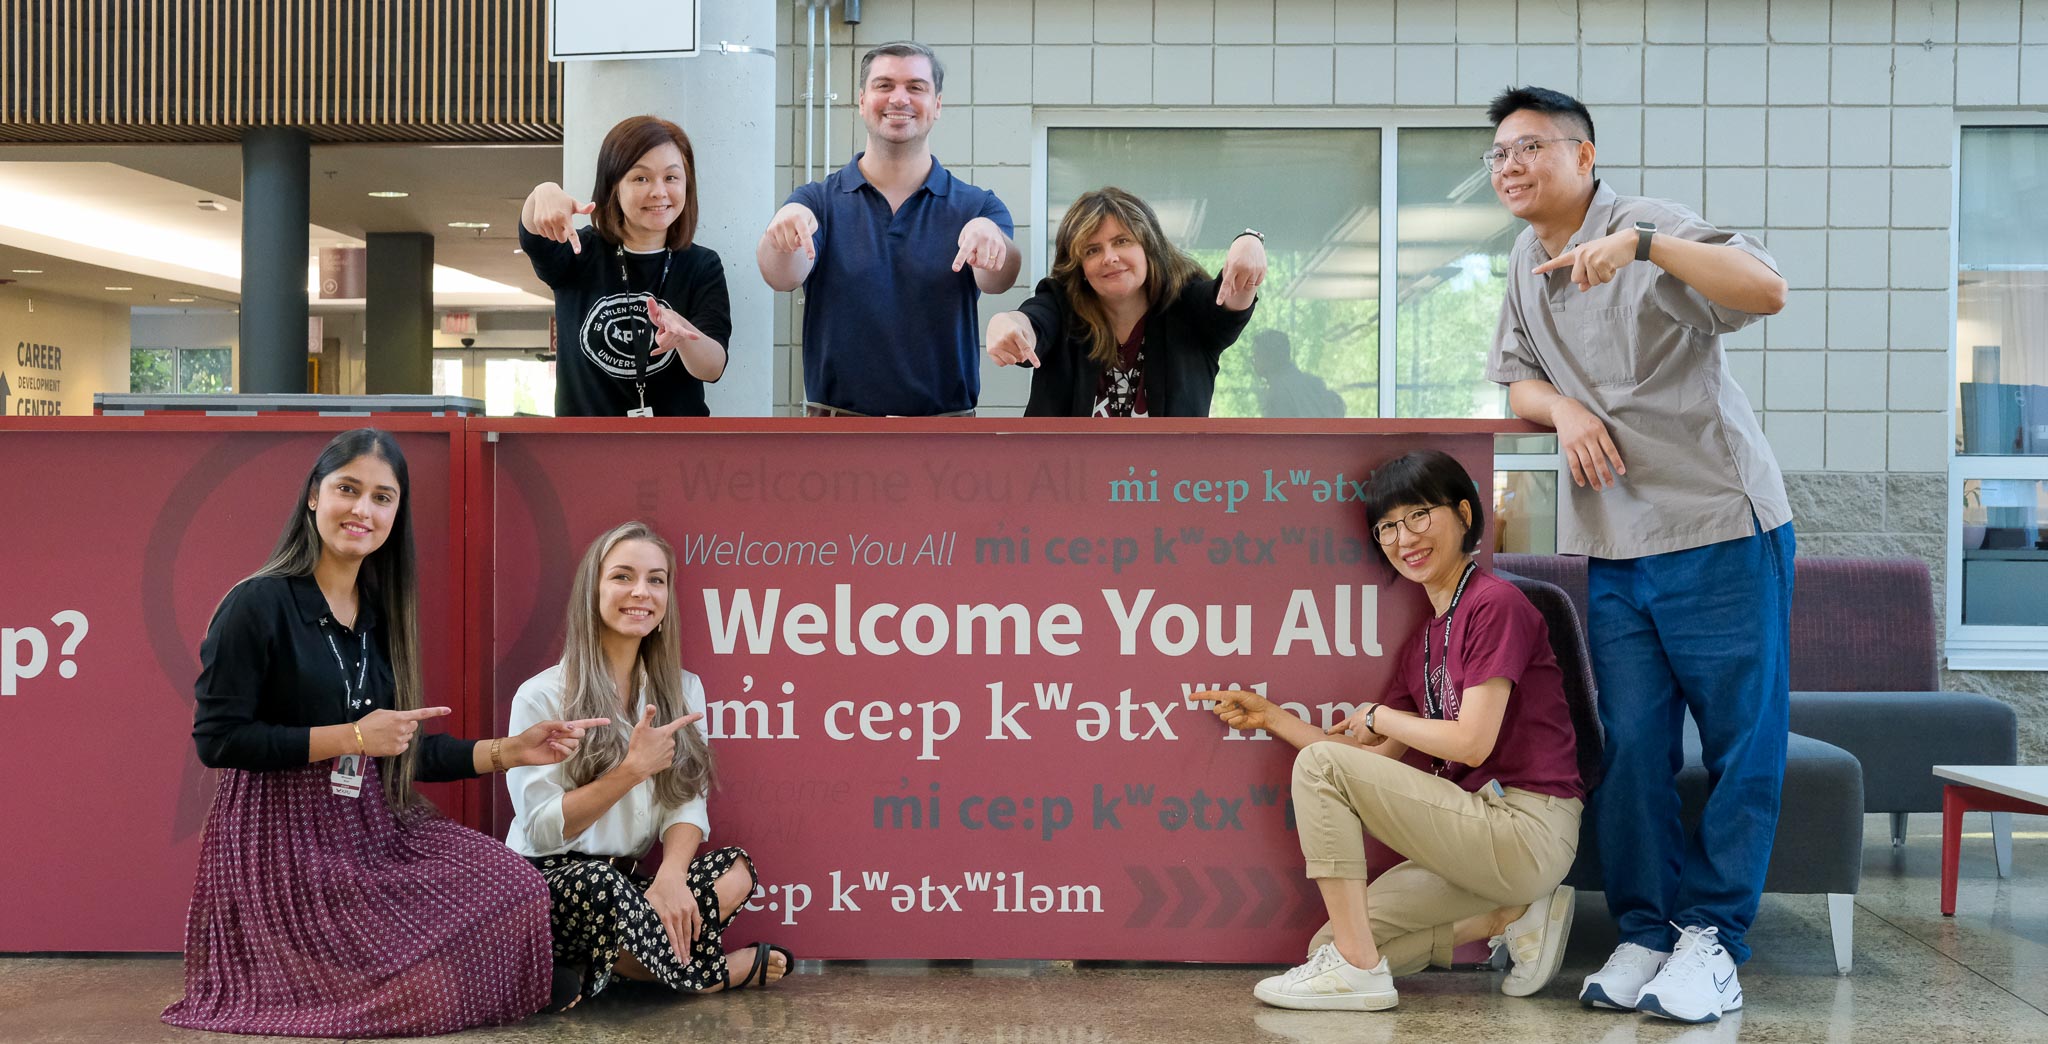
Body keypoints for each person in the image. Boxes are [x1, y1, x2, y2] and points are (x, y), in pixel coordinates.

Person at [1484, 85, 1793, 1025]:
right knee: (1625, 748)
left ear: (1584, 156)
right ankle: (1648, 929)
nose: (1509, 166)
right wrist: (1565, 407)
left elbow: (1767, 289)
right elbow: (1517, 386)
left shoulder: (1646, 224)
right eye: (1497, 154)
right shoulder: (1521, 257)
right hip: (1614, 542)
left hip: (1721, 527)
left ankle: (1716, 942)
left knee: (1742, 747)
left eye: (1530, 146)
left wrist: (1648, 249)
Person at [164, 428, 607, 1037]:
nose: (362, 510)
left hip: (370, 825)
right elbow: (220, 742)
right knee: (421, 989)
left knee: (516, 886)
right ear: (314, 497)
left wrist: (511, 751)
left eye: (382, 497)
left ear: (396, 515)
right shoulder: (257, 603)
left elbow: (403, 751)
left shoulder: (376, 617)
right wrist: (350, 739)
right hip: (279, 840)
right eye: (348, 489)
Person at [1204, 450, 1583, 1013]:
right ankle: (1510, 915)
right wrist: (1271, 717)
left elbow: (1471, 742)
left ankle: (1359, 974)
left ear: (1463, 513)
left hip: (1528, 826)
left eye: (1419, 515)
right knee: (1331, 941)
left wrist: (1379, 715)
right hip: (1475, 839)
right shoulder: (1423, 646)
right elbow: (1369, 755)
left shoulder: (1495, 605)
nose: (1404, 537)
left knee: (1319, 772)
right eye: (1387, 526)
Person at [506, 521, 791, 1008]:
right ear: (591, 592)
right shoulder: (543, 695)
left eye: (656, 580)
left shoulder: (683, 690)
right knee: (602, 886)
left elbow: (686, 802)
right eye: (622, 576)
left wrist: (672, 877)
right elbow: (542, 829)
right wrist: (631, 771)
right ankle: (707, 976)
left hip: (633, 888)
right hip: (550, 883)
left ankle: (611, 966)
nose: (641, 592)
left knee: (736, 871)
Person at [757, 41, 1019, 417]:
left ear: (938, 105)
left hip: (945, 439)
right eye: (884, 85)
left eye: (916, 87)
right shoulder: (815, 202)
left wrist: (991, 241)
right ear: (862, 101)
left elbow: (999, 278)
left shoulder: (977, 207)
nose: (899, 98)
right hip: (837, 437)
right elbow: (780, 276)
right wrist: (779, 234)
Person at [983, 187, 1266, 417]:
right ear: (1079, 265)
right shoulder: (1061, 303)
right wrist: (1007, 323)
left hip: (1169, 486)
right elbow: (1033, 322)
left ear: (1148, 246)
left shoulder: (1187, 305)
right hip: (1063, 483)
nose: (1109, 257)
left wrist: (1250, 244)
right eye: (1093, 250)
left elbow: (1230, 302)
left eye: (1121, 241)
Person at [523, 115, 732, 417]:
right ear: (613, 186)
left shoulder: (702, 265)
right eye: (641, 178)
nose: (659, 191)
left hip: (676, 452)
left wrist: (682, 334)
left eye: (671, 178)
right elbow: (533, 237)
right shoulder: (580, 252)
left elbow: (712, 368)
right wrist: (541, 194)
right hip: (585, 451)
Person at [1251, 329, 1345, 418]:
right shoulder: (1313, 383)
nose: (1253, 359)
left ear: (1269, 358)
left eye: (1257, 354)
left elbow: (1279, 433)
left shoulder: (1278, 393)